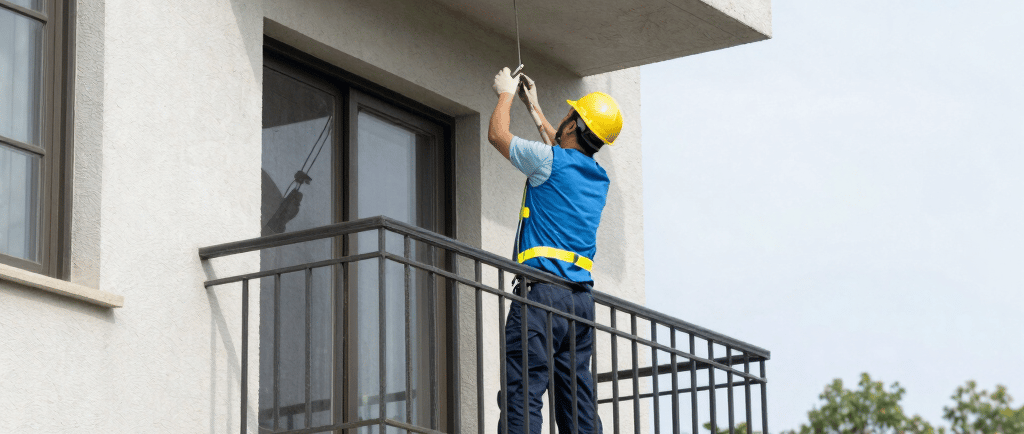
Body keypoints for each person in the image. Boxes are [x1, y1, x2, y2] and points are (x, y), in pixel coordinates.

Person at [488, 66, 623, 434]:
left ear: (573, 125)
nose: (562, 119)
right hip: (580, 305)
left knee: (523, 389)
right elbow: (561, 151)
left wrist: (505, 93)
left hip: (541, 298)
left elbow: (498, 135)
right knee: (576, 398)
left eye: (568, 114)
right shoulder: (599, 179)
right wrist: (534, 107)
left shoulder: (550, 161)